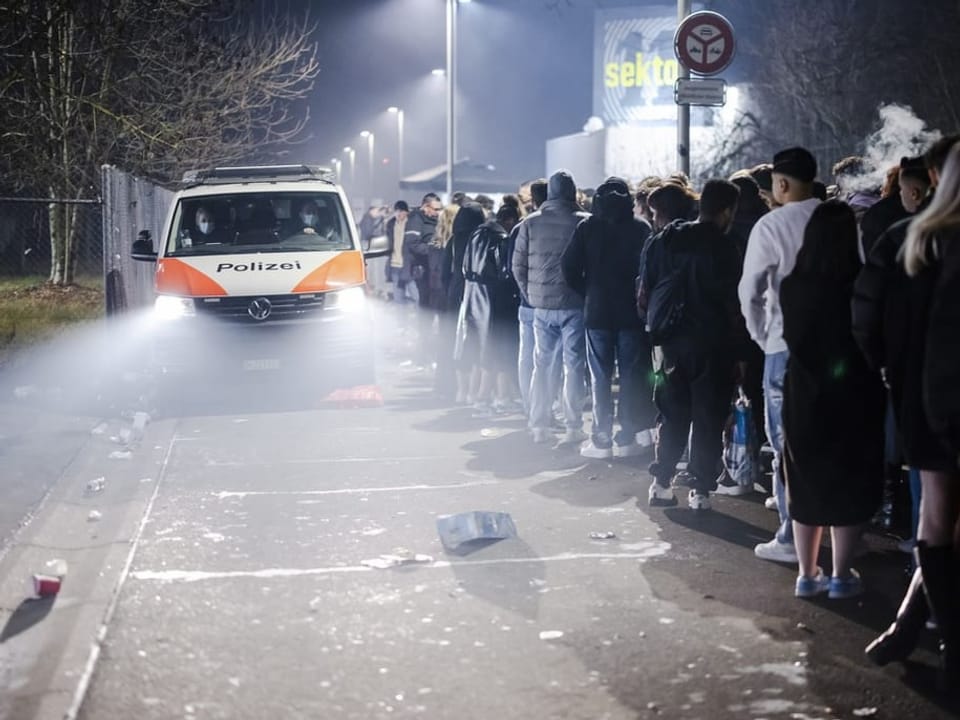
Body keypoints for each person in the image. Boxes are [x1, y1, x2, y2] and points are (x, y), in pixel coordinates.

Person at [852, 136, 958, 672]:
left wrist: (886, 368)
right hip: (931, 390)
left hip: (922, 394)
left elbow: (865, 317)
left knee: (936, 517)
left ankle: (915, 632)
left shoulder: (907, 238)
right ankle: (917, 631)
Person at [780, 200, 885, 599]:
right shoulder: (863, 282)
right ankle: (841, 574)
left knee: (804, 477)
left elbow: (792, 338)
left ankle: (807, 575)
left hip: (805, 391)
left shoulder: (793, 284)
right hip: (855, 392)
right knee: (851, 478)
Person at [638, 179, 742, 510]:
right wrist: (740, 353)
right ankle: (700, 491)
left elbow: (645, 291)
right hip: (712, 345)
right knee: (708, 417)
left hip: (668, 344)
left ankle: (661, 483)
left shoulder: (664, 240)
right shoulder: (726, 247)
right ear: (726, 211)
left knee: (671, 413)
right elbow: (734, 304)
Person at [739, 147, 821, 562]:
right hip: (834, 348)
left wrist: (762, 337)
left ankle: (791, 537)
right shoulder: (838, 220)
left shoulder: (770, 225)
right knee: (826, 440)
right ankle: (835, 532)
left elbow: (749, 292)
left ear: (782, 183)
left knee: (787, 444)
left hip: (783, 347)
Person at [561, 177, 651, 459]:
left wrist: (586, 291)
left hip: (597, 310)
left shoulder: (587, 227)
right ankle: (626, 437)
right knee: (629, 376)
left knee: (599, 377)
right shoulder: (641, 228)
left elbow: (568, 266)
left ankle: (601, 439)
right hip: (630, 314)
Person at [512, 170, 590, 445]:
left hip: (541, 306)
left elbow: (517, 265)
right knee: (574, 366)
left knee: (541, 366)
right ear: (572, 192)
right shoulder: (584, 221)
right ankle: (572, 426)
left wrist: (530, 294)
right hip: (574, 305)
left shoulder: (530, 223)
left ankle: (539, 426)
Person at [455, 204, 521, 415]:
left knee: (479, 350)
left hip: (473, 297)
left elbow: (465, 267)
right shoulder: (501, 239)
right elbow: (506, 272)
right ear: (510, 220)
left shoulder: (477, 234)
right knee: (496, 351)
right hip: (494, 300)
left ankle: (487, 398)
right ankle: (485, 399)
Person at [509, 179, 547, 416]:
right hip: (559, 302)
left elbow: (513, 266)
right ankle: (548, 408)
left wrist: (526, 293)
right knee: (553, 360)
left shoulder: (522, 226)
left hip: (529, 302)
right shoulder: (575, 221)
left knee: (529, 357)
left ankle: (531, 405)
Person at [404, 193, 443, 366]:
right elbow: (413, 244)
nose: (437, 213)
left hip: (434, 270)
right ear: (425, 207)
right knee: (425, 311)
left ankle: (431, 350)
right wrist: (433, 250)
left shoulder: (435, 220)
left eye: (440, 209)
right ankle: (423, 352)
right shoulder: (415, 220)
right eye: (435, 209)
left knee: (433, 309)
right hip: (422, 270)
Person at [385, 201, 414, 304]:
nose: (398, 214)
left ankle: (420, 318)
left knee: (417, 297)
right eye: (396, 211)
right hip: (395, 266)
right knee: (398, 299)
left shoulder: (412, 224)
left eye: (401, 211)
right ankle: (400, 319)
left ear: (406, 212)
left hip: (409, 266)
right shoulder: (391, 224)